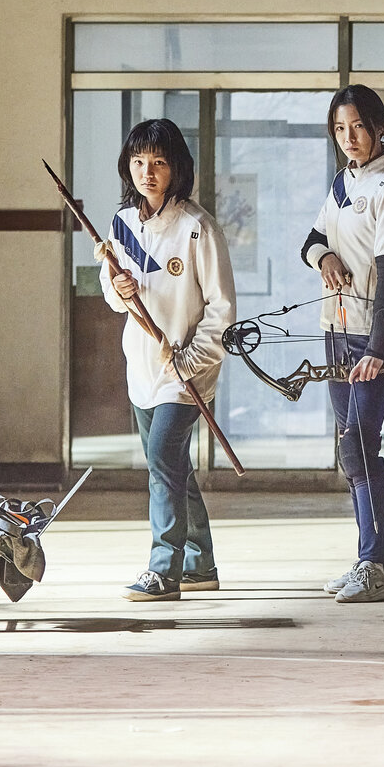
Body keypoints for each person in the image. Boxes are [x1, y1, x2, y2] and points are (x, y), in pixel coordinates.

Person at [98, 118, 236, 602]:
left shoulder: (198, 229)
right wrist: (118, 288)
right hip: (142, 366)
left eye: (158, 161)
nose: (147, 172)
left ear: (177, 167)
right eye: (138, 162)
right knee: (173, 464)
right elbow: (115, 294)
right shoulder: (123, 224)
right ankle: (201, 564)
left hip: (186, 371)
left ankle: (164, 568)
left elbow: (222, 312)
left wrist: (190, 359)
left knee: (161, 460)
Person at [303, 84, 384, 604]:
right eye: (340, 129)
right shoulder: (343, 182)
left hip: (372, 335)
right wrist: (324, 259)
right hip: (334, 327)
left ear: (379, 127)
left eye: (359, 127)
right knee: (350, 444)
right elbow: (312, 239)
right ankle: (367, 556)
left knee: (363, 443)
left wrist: (379, 348)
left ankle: (378, 563)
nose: (350, 138)